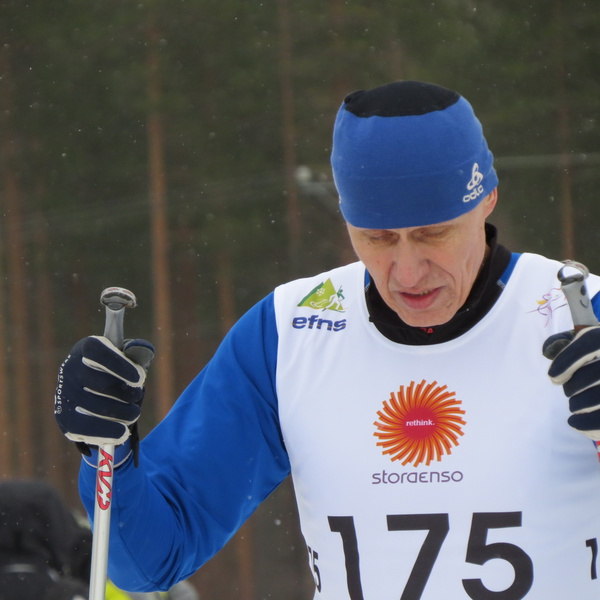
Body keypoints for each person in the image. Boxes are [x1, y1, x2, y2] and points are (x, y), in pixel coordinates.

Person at [54, 80, 600, 599]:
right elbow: (148, 561)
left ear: (487, 199)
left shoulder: (582, 317)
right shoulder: (290, 333)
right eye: (377, 238)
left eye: (433, 234)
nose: (408, 272)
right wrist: (107, 453)